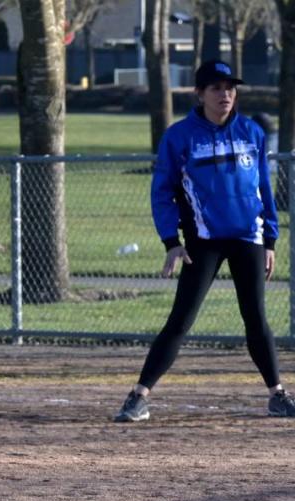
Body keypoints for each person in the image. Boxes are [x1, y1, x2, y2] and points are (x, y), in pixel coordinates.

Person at [115, 59, 295, 423]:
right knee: (181, 320)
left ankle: (277, 394)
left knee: (256, 318)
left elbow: (263, 189)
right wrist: (171, 241)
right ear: (199, 94)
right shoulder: (180, 137)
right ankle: (138, 396)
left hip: (248, 237)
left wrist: (270, 239)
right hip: (204, 240)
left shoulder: (251, 132)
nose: (225, 94)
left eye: (230, 87)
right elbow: (161, 193)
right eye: (216, 87)